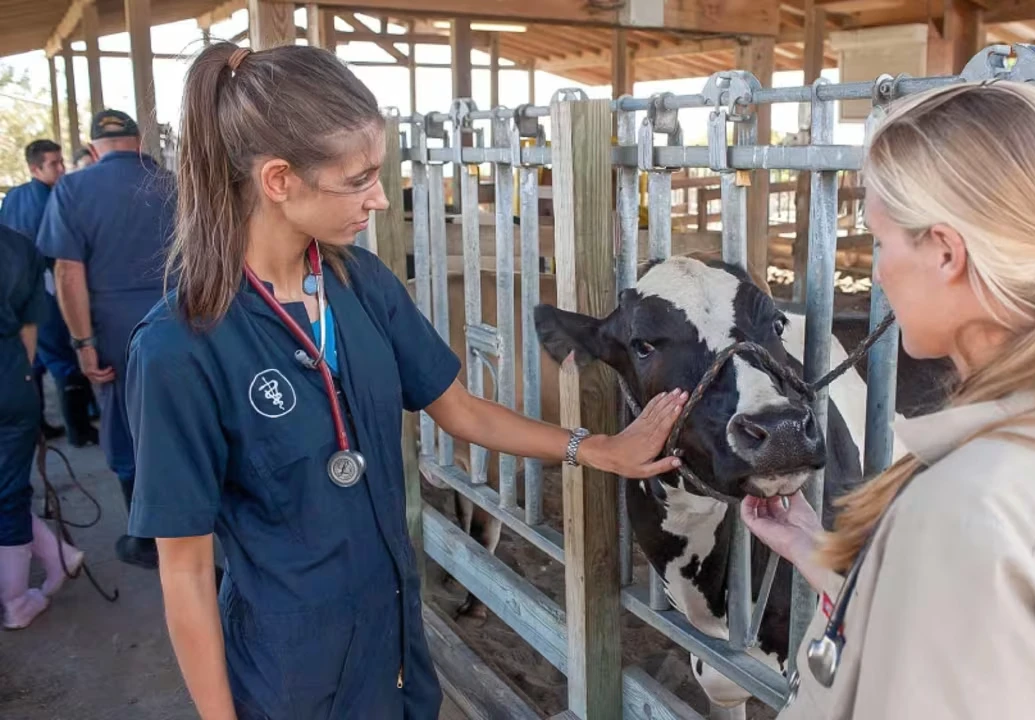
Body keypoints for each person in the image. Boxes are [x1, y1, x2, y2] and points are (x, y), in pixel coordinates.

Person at [125, 42, 686, 720]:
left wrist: (594, 448)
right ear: (278, 180)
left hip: (396, 654)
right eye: (359, 179)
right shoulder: (179, 349)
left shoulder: (361, 285)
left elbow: (459, 410)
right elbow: (184, 571)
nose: (381, 198)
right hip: (290, 678)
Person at [742, 81, 1035, 719]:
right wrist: (816, 551)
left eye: (881, 241)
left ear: (945, 252)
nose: (876, 271)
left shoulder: (969, 510)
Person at [37, 110, 176, 570]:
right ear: (139, 143)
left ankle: (147, 538)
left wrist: (83, 342)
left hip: (117, 333)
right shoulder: (176, 184)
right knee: (186, 419)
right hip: (185, 321)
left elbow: (67, 272)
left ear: (94, 150)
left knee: (126, 425)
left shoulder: (73, 189)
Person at [0, 224, 85, 630]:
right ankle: (57, 557)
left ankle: (16, 600)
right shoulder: (19, 247)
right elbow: (29, 329)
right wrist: (22, 379)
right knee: (9, 490)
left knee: (7, 494)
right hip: (13, 378)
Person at [0, 139, 81, 444]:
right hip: (45, 290)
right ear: (35, 169)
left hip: (15, 294)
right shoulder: (56, 198)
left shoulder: (13, 196)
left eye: (62, 162)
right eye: (54, 164)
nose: (61, 168)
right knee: (61, 360)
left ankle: (38, 425)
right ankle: (77, 429)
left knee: (32, 362)